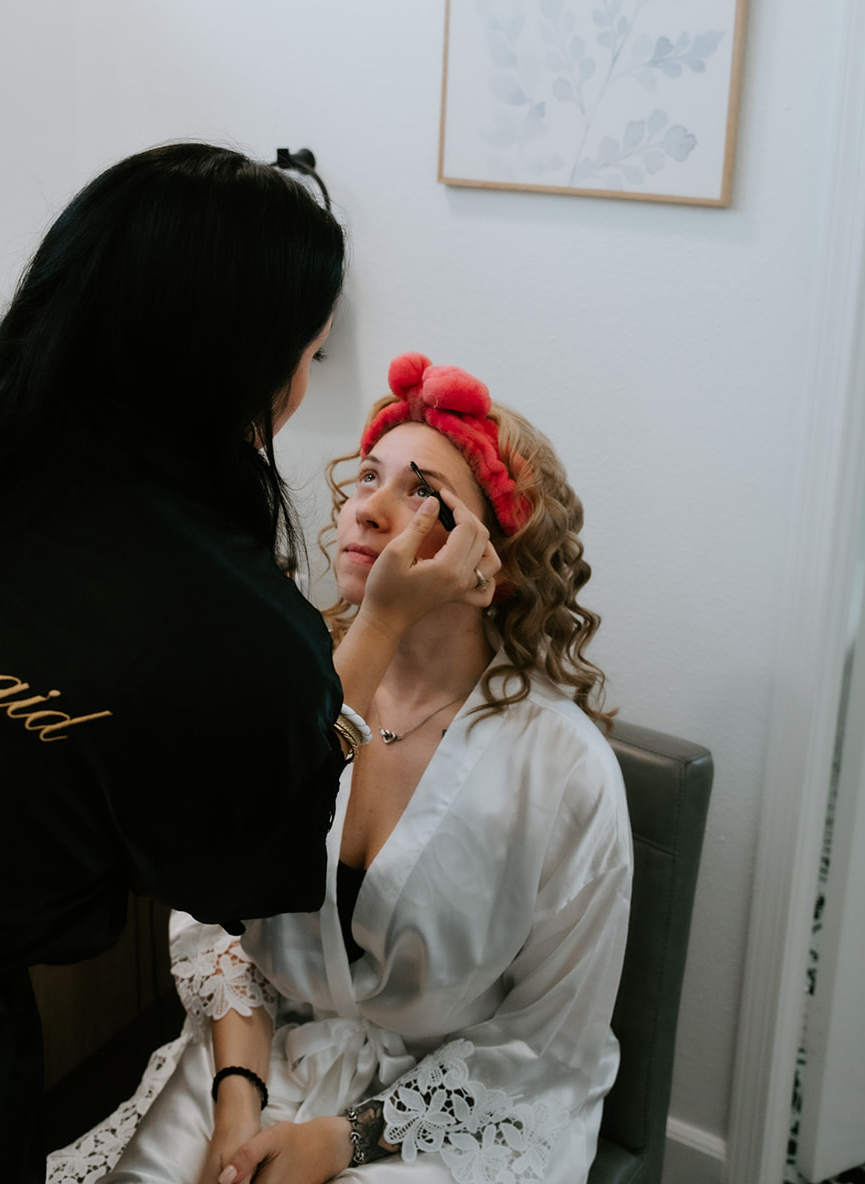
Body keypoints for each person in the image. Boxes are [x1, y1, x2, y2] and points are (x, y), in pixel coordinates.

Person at [0, 155, 498, 1184]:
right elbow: (245, 847)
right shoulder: (234, 634)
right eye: (311, 354)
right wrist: (378, 626)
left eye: (422, 489)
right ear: (258, 369)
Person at [49, 352, 633, 1184]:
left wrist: (339, 1141)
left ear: (489, 566)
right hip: (258, 1058)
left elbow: (549, 1042)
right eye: (367, 476)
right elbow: (217, 916)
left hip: (454, 1110)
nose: (367, 509)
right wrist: (239, 1103)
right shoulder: (285, 688)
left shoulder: (562, 769)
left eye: (422, 492)